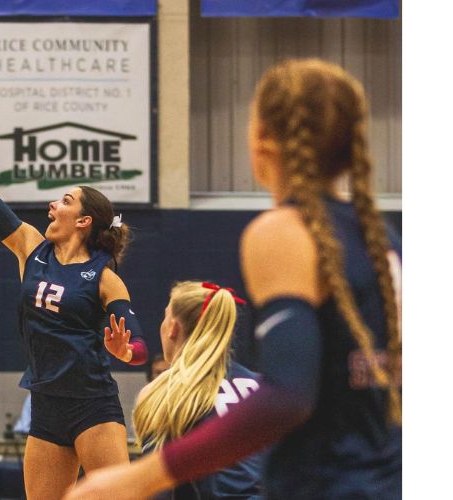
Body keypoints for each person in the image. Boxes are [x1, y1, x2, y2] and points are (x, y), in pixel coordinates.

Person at [63, 58, 402, 499]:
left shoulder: (284, 230)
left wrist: (138, 478)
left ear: (262, 139)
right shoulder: (379, 236)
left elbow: (287, 397)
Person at [0, 81, 149, 499]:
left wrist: (125, 351)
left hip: (93, 405)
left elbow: (140, 346)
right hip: (45, 406)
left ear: (83, 221)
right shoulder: (30, 247)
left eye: (64, 201)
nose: (52, 206)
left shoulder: (104, 276)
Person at [134, 281, 262, 499]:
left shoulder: (166, 389)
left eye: (165, 316)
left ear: (172, 327)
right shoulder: (263, 386)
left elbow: (157, 489)